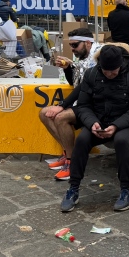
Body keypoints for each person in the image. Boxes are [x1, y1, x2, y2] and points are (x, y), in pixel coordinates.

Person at [60, 44, 129, 213]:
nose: (110, 75)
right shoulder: (91, 74)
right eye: (106, 71)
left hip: (125, 122)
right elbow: (83, 105)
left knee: (121, 141)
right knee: (82, 140)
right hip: (99, 121)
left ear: (120, 65)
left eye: (113, 71)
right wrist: (92, 123)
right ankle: (73, 188)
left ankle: (126, 190)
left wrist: (116, 125)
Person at [39, 28, 101, 181]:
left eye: (75, 45)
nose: (72, 49)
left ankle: (72, 162)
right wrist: (67, 69)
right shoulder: (83, 56)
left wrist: (62, 105)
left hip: (96, 105)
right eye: (71, 45)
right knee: (44, 113)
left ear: (88, 43)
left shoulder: (98, 56)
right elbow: (75, 83)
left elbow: (84, 86)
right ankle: (68, 153)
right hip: (83, 102)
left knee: (60, 117)